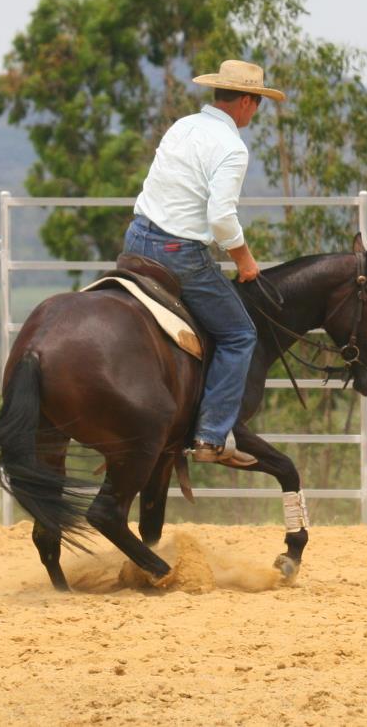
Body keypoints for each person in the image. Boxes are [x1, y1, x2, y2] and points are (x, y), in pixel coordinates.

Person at [123, 59, 285, 464]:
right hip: (178, 255)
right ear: (246, 102)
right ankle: (211, 436)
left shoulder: (182, 126)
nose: (256, 111)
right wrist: (245, 261)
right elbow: (221, 218)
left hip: (136, 240)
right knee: (239, 334)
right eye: (258, 103)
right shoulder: (232, 147)